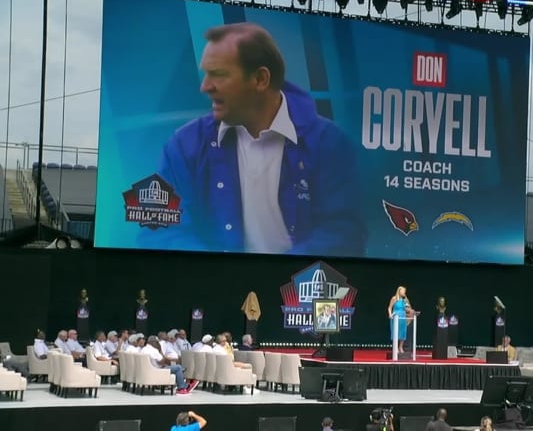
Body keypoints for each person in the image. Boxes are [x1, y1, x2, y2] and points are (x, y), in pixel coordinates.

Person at [145, 22, 366, 257]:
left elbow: (345, 234)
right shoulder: (184, 145)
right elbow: (160, 230)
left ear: (261, 79)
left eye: (218, 74)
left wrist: (280, 276)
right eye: (206, 74)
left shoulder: (329, 143)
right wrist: (219, 273)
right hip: (214, 285)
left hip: (299, 289)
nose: (205, 86)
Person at [388, 286, 412, 354]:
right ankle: (395, 347)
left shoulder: (405, 300)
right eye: (403, 291)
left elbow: (408, 309)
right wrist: (390, 314)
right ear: (399, 291)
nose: (404, 292)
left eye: (405, 291)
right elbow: (389, 307)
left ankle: (400, 347)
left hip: (403, 317)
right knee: (396, 332)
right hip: (396, 317)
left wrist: (410, 310)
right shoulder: (394, 298)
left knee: (403, 332)